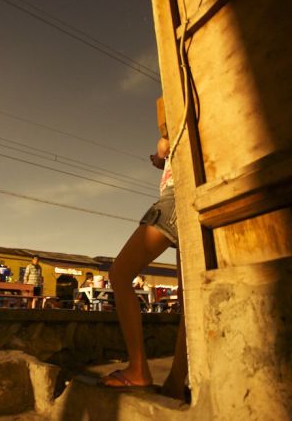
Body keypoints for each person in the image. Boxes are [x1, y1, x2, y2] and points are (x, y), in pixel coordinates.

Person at [100, 97, 188, 400]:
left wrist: (162, 148)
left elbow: (165, 140)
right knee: (190, 300)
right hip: (188, 196)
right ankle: (176, 383)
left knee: (120, 274)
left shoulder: (178, 100)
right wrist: (164, 162)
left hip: (174, 199)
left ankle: (138, 370)